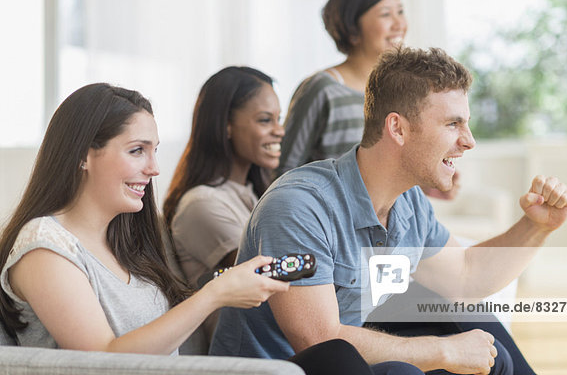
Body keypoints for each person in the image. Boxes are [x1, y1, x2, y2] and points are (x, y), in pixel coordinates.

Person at [0, 83, 422, 375]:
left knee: (369, 364)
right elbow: (105, 362)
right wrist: (213, 296)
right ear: (83, 156)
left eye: (154, 150)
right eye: (136, 151)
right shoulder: (44, 248)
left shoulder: (125, 242)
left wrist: (227, 284)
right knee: (339, 362)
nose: (154, 168)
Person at [209, 47, 567, 374]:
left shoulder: (410, 203)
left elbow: (465, 276)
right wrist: (441, 351)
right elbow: (321, 342)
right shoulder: (299, 206)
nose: (468, 140)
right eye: (452, 123)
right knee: (404, 369)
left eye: (467, 122)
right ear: (397, 128)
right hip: (280, 370)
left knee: (470, 325)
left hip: (346, 362)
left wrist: (536, 226)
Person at [276, 0, 458, 200]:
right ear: (352, 28)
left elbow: (383, 173)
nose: (399, 24)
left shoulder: (401, 95)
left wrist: (425, 186)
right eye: (385, 14)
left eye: (400, 12)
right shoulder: (322, 89)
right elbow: (284, 173)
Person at [163, 67, 284, 289]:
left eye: (279, 119)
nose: (280, 130)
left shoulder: (254, 193)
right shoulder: (202, 203)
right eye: (266, 120)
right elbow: (271, 278)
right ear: (226, 126)